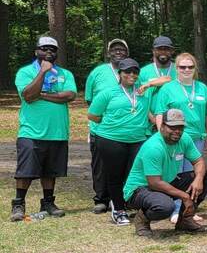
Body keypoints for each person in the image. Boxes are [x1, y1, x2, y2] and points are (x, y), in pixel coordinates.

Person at [11, 36, 76, 222]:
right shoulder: (25, 72)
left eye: (52, 49)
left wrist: (42, 95)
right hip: (31, 131)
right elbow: (28, 95)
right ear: (36, 51)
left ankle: (48, 202)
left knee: (50, 171)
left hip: (57, 131)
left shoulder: (65, 74)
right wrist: (42, 73)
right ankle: (18, 204)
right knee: (26, 171)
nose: (49, 52)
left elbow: (69, 95)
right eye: (44, 48)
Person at [126, 109, 207, 237]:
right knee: (166, 206)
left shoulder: (184, 138)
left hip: (165, 182)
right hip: (140, 189)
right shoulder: (154, 147)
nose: (177, 131)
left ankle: (185, 221)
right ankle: (142, 219)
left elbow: (199, 161)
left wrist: (199, 178)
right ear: (162, 126)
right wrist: (184, 196)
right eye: (172, 127)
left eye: (180, 127)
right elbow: (154, 183)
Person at [88, 57, 154, 225]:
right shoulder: (108, 93)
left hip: (137, 140)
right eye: (127, 71)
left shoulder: (142, 92)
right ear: (120, 74)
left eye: (135, 72)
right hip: (111, 139)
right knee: (115, 175)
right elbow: (93, 115)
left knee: (134, 175)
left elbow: (167, 79)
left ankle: (127, 203)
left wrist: (148, 85)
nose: (131, 74)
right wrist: (113, 125)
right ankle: (118, 209)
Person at [84, 38, 129, 213]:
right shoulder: (98, 72)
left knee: (124, 165)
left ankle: (122, 198)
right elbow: (89, 99)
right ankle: (101, 199)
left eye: (122, 49)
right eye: (114, 49)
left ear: (127, 53)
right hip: (100, 129)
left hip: (125, 130)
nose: (118, 52)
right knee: (100, 165)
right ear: (108, 53)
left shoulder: (132, 71)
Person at [153, 53, 207, 173]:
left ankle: (188, 193)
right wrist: (162, 136)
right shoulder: (167, 89)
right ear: (177, 68)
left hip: (197, 138)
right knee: (175, 174)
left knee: (191, 173)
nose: (187, 70)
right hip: (175, 137)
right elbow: (160, 114)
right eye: (182, 67)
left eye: (190, 67)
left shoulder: (203, 88)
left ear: (195, 68)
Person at [137, 37, 177, 127]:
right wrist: (152, 118)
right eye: (159, 49)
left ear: (172, 51)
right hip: (149, 123)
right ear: (153, 51)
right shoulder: (143, 72)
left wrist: (150, 83)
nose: (163, 52)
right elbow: (138, 98)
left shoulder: (180, 70)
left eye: (166, 49)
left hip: (176, 121)